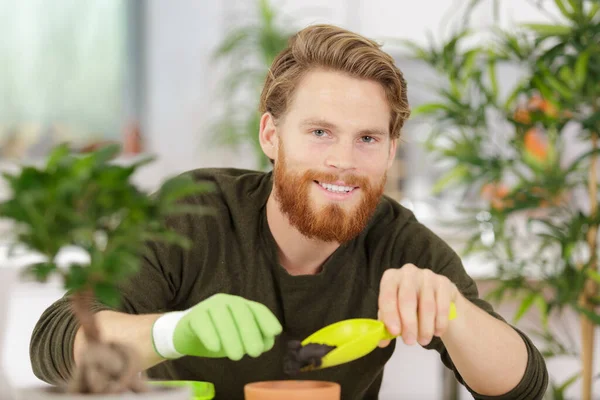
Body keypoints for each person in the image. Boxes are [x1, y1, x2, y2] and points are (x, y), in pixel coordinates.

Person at [30, 24, 548, 399]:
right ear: (271, 136)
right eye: (320, 132)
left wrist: (453, 314)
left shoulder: (398, 244)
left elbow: (524, 385)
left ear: (392, 151)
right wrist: (175, 331)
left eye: (367, 138)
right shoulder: (192, 214)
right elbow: (54, 345)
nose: (343, 162)